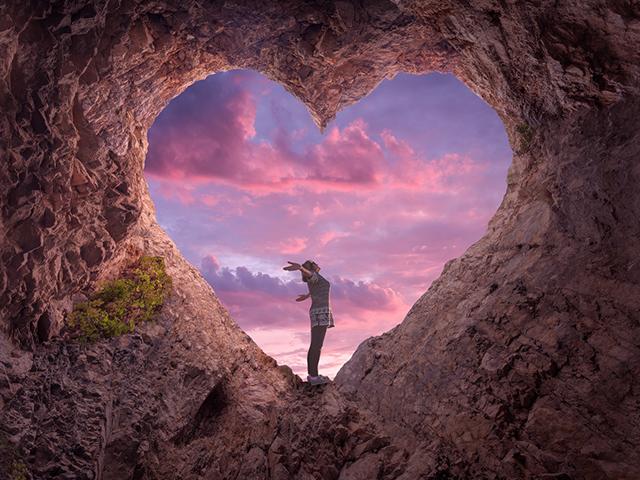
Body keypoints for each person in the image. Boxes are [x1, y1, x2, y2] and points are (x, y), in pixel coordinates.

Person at [283, 260, 335, 385]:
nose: (317, 263)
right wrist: (300, 268)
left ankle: (313, 375)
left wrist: (307, 296)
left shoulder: (317, 278)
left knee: (316, 346)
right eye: (313, 262)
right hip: (319, 314)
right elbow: (310, 276)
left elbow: (316, 286)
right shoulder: (313, 275)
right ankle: (313, 377)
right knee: (316, 346)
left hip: (320, 313)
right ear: (312, 268)